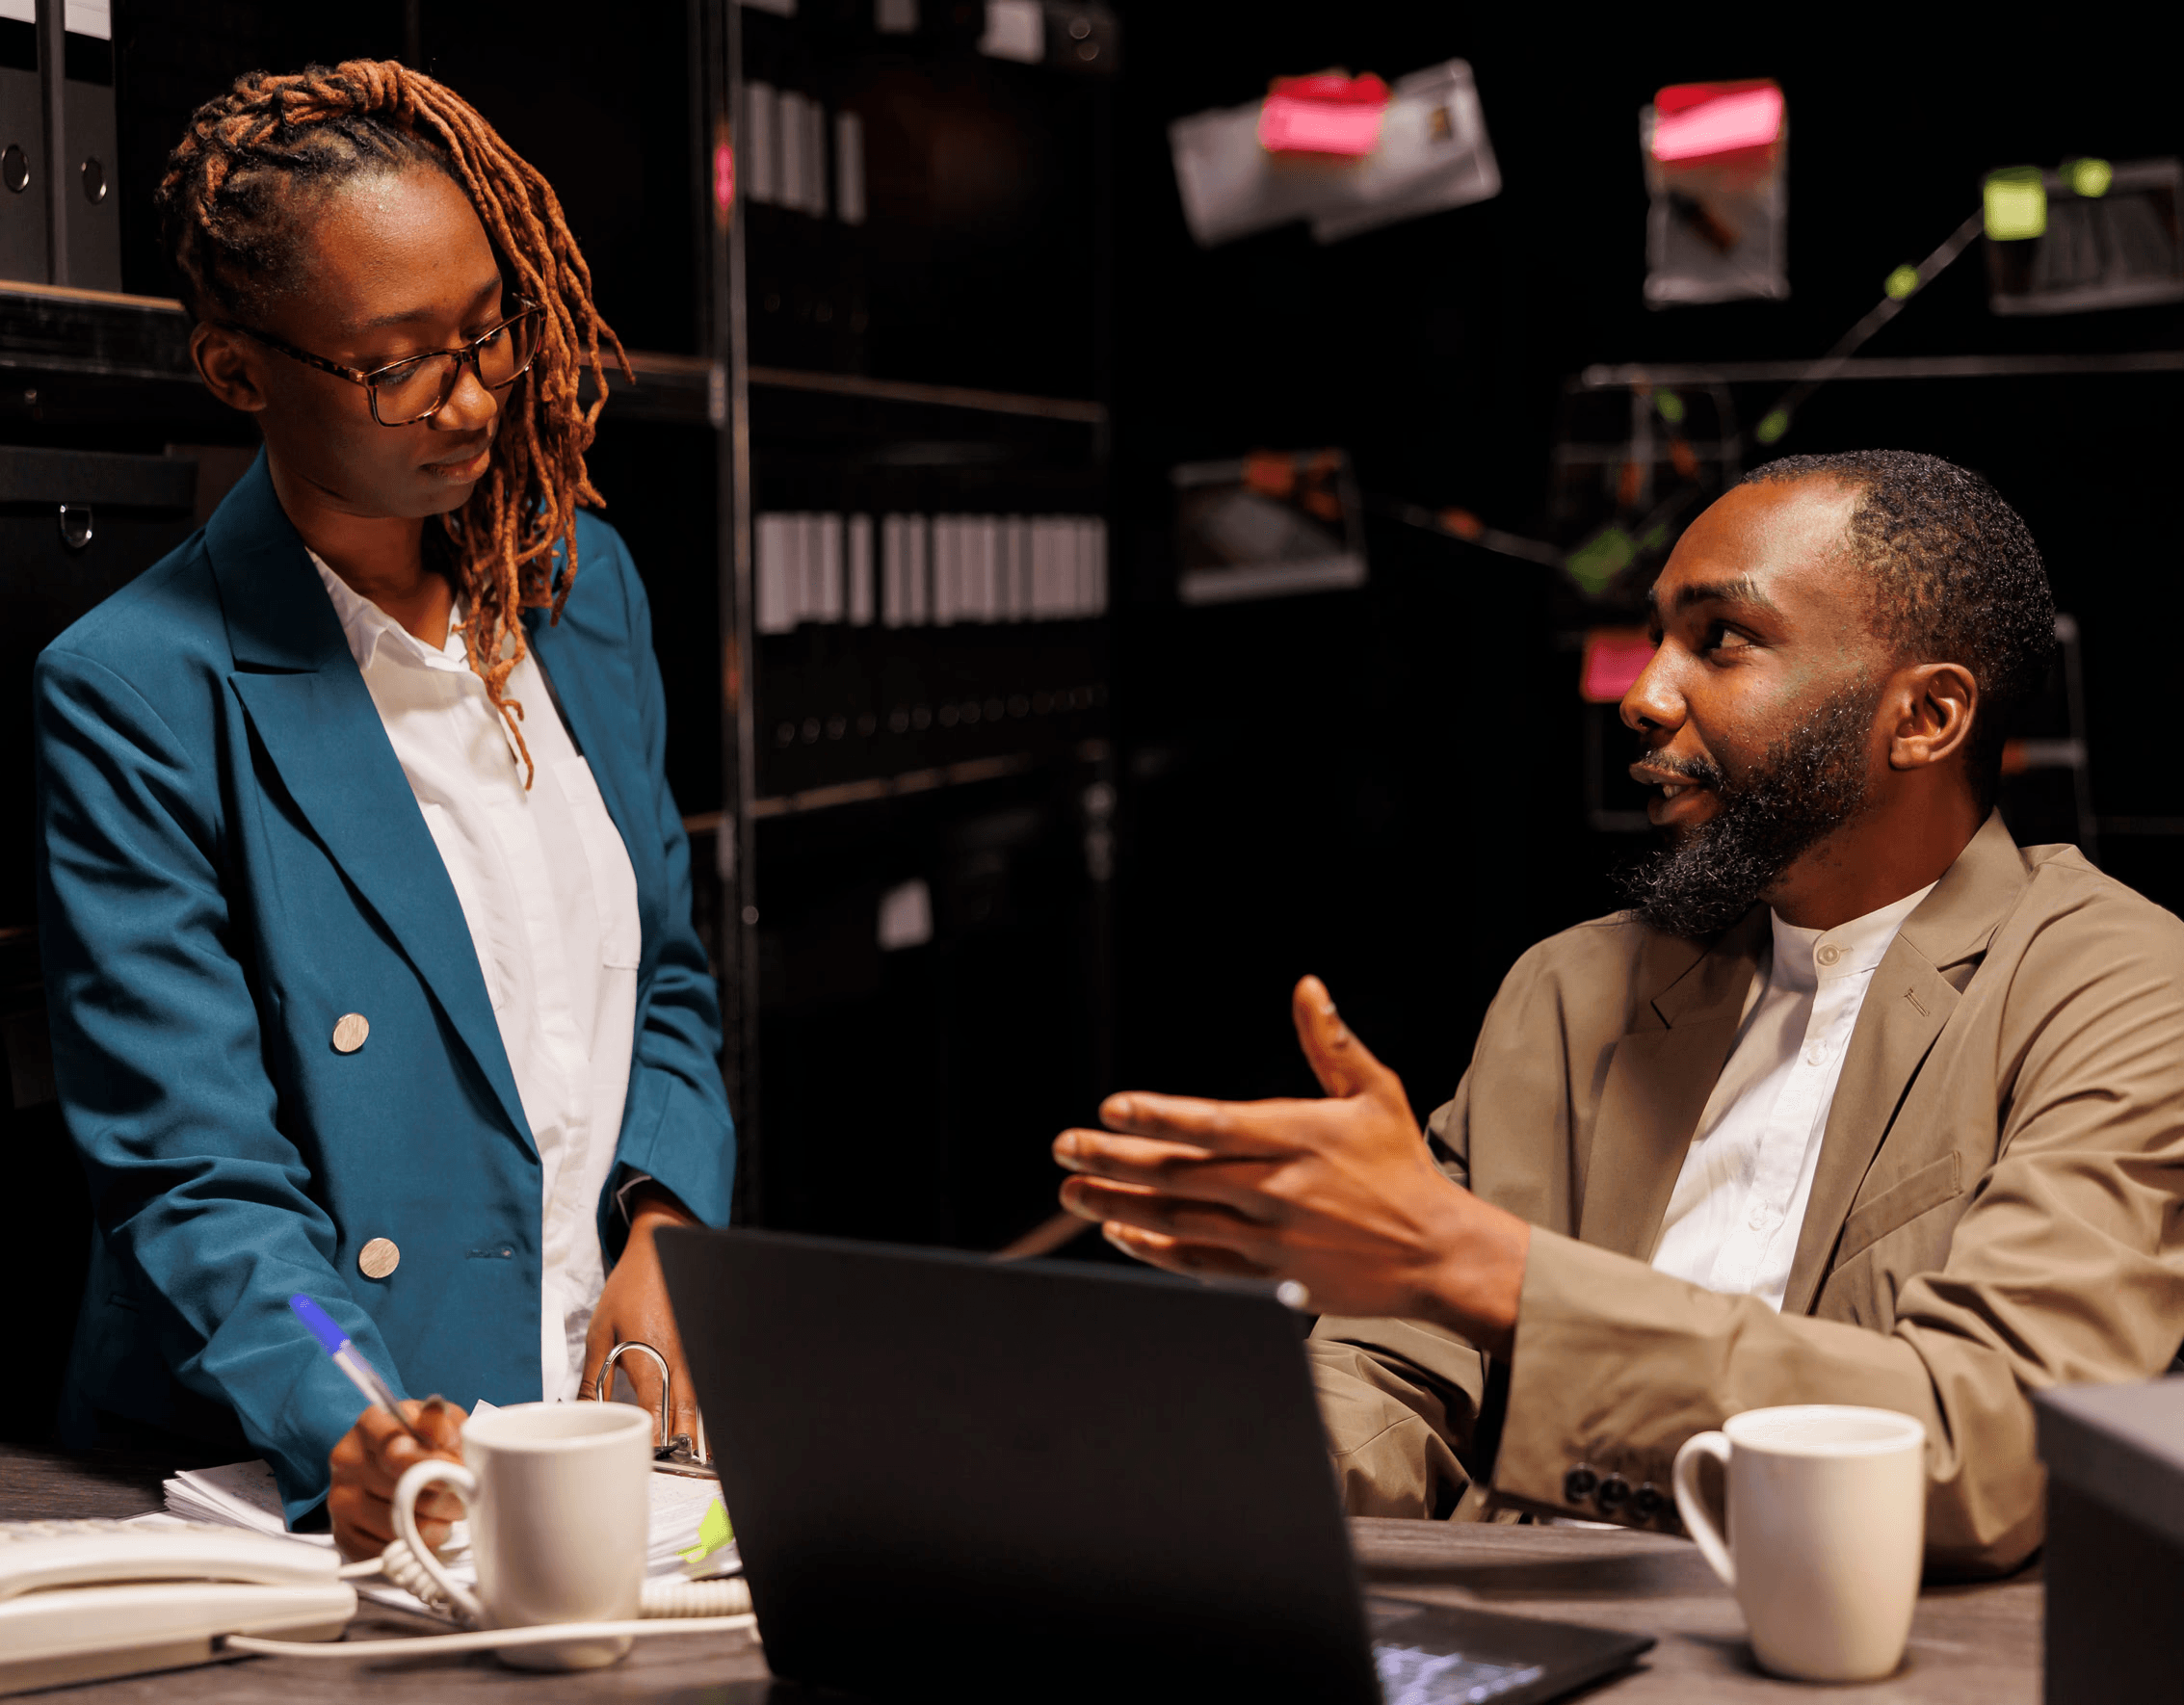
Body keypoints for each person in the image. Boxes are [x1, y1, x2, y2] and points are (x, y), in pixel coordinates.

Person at [1052, 451, 2184, 1577]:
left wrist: (1494, 1273)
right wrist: (1200, 1491)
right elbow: (1398, 1372)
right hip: (1528, 1627)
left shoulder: (2114, 983)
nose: (1641, 695)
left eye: (1718, 640)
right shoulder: (1570, 989)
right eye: (1653, 638)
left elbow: (1983, 1447)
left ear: (1925, 715)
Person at [35, 61, 733, 1559]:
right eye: (396, 362)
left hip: (616, 1441)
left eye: (486, 331)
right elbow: (196, 1182)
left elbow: (667, 974)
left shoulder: (581, 586)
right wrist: (347, 1401)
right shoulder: (137, 690)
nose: (473, 393)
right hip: (334, 1479)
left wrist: (669, 1218)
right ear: (238, 371)